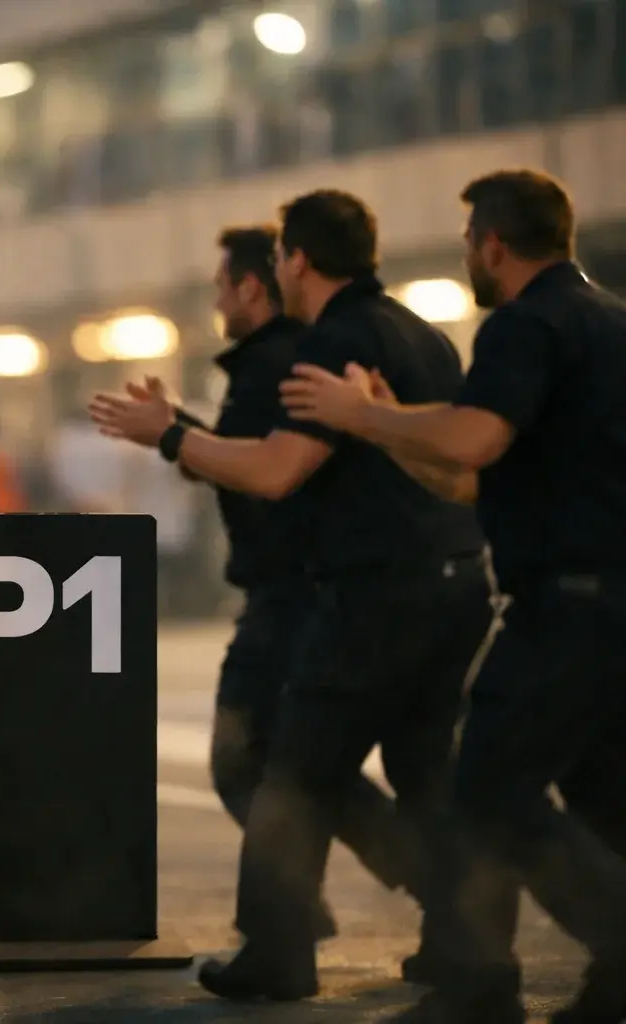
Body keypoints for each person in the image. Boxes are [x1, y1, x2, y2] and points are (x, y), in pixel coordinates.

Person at [90, 190, 492, 1001]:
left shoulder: (331, 341)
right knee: (426, 773)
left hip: (370, 592)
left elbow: (276, 473)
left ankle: (280, 951)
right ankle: (466, 943)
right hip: (452, 582)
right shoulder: (418, 329)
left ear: (296, 260)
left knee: (292, 772)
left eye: (277, 258)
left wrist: (170, 435)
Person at [281, 169, 626, 1024]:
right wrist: (398, 424)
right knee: (600, 798)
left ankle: (490, 987)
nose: (470, 251)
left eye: (471, 237)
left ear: (493, 245)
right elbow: (473, 480)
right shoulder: (608, 321)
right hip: (610, 607)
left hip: (566, 608)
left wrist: (363, 418)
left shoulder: (525, 324)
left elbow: (473, 437)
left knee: (488, 790)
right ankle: (608, 988)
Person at [191, 224, 429, 944]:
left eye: (221, 286)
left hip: (296, 595)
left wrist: (173, 438)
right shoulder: (295, 355)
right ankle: (418, 890)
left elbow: (272, 470)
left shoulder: (286, 363)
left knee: (256, 762)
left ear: (256, 285)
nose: (216, 298)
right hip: (330, 589)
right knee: (299, 764)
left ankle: (295, 928)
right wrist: (184, 437)